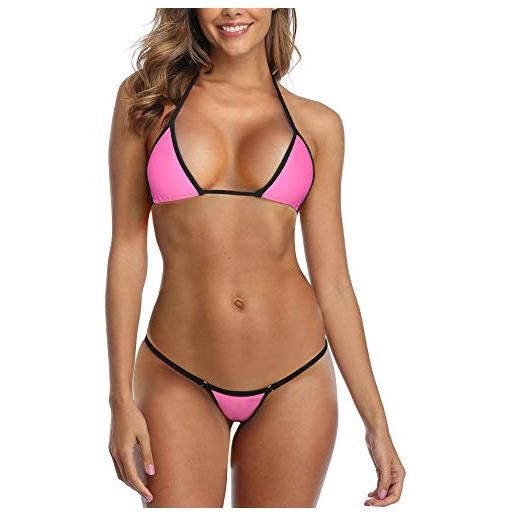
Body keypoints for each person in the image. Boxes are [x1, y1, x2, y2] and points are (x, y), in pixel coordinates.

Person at [106, 7, 405, 508]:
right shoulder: (147, 102)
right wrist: (119, 399)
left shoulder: (318, 125)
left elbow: (333, 284)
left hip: (295, 380)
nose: (232, 9)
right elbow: (126, 252)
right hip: (177, 373)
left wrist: (376, 423)